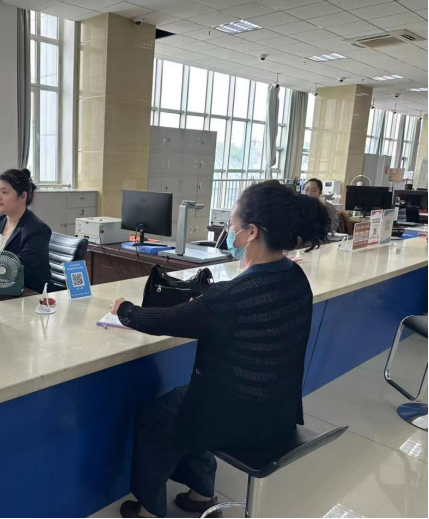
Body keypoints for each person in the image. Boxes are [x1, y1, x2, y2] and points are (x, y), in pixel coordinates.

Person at [108, 182, 330, 519]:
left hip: (236, 417)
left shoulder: (230, 296)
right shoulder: (295, 276)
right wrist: (205, 307)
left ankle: (149, 510)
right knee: (187, 401)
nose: (228, 229)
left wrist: (124, 310)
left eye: (232, 223)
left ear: (251, 232)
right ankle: (200, 495)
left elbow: (162, 320)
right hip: (279, 411)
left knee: (159, 416)